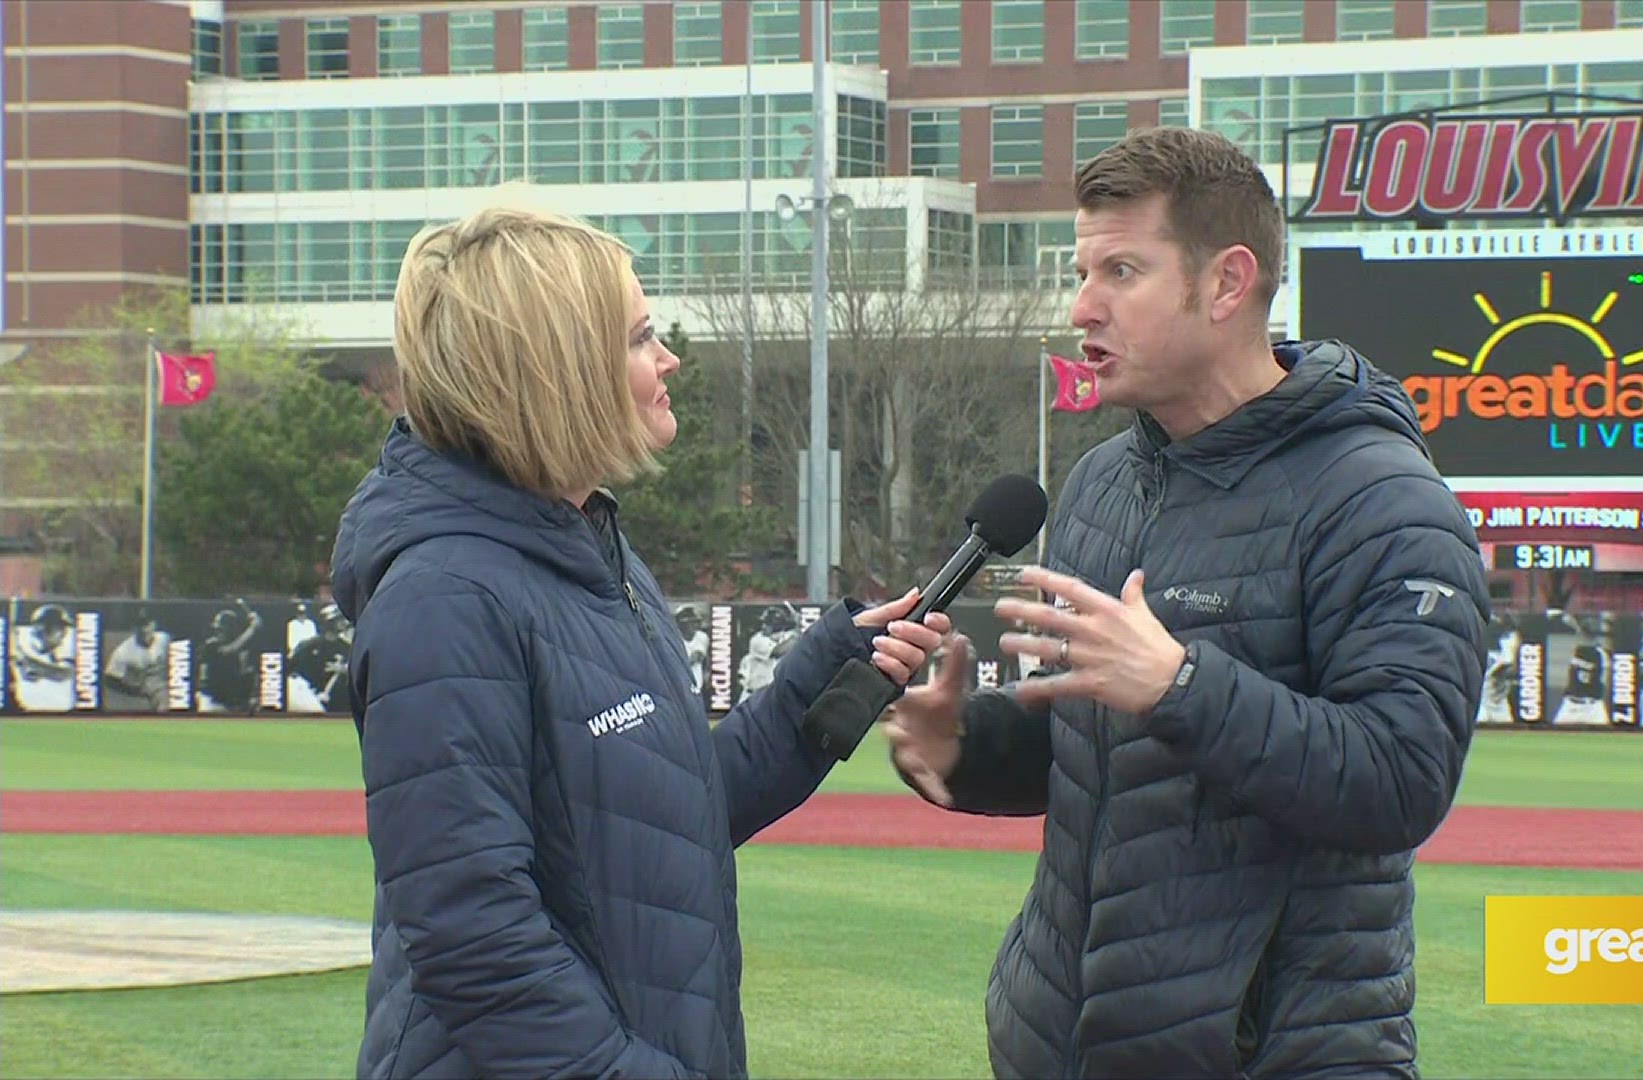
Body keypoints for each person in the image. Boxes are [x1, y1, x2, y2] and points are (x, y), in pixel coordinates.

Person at [884, 126, 1489, 1079]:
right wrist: (968, 746)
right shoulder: (1099, 486)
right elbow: (1103, 757)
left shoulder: (1382, 500)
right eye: (1083, 271)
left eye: (1122, 270)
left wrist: (1178, 684)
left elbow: (1400, 780)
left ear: (1226, 283)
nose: (1083, 306)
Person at [332, 204, 948, 1080]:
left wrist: (821, 682)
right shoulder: (444, 600)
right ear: (558, 370)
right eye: (640, 337)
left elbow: (659, 823)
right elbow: (474, 942)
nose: (668, 361)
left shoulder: (589, 546)